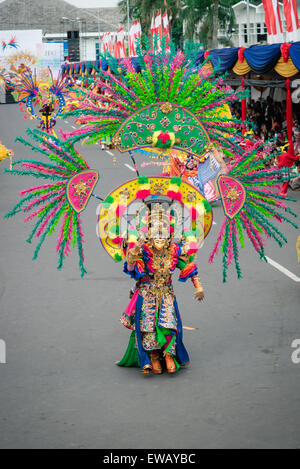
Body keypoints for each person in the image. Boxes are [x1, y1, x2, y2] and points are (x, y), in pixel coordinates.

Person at [118, 203, 204, 375]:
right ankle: (154, 357)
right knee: (147, 326)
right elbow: (130, 267)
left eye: (163, 236)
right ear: (149, 235)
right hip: (146, 294)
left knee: (169, 324)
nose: (159, 239)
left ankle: (169, 356)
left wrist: (198, 286)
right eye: (156, 235)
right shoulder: (144, 251)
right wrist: (133, 252)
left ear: (169, 237)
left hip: (166, 294)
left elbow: (188, 266)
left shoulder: (173, 252)